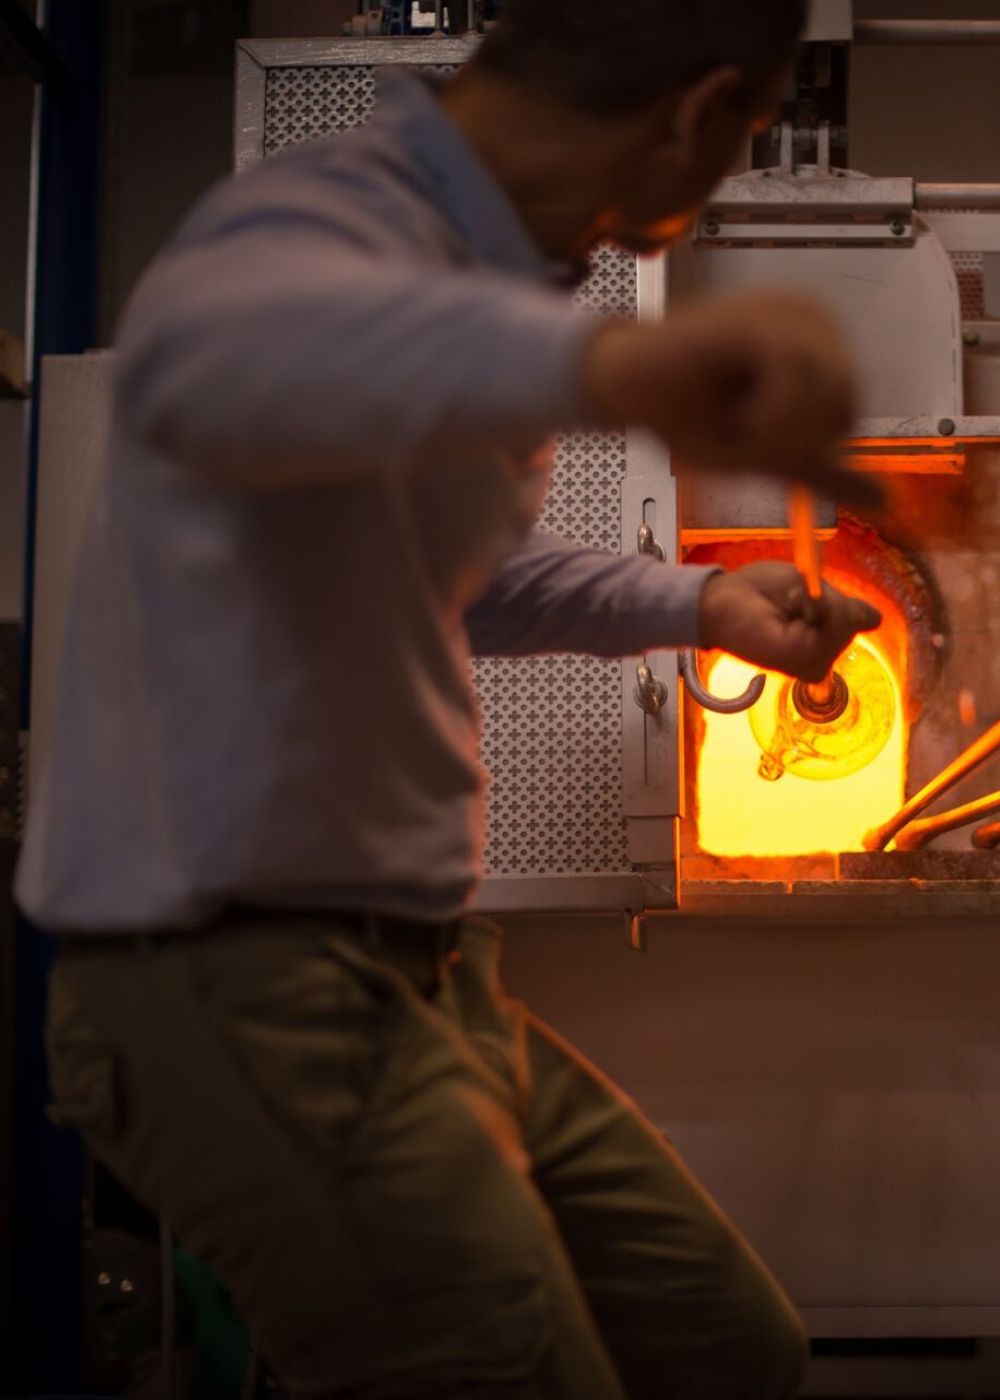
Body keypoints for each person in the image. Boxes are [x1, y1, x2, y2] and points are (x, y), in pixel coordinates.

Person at [19, 0, 884, 1395]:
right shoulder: (314, 220)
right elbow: (206, 372)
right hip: (236, 978)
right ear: (703, 114)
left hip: (420, 979)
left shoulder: (492, 296)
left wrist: (697, 605)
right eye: (751, 143)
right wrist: (612, 366)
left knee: (725, 1348)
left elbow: (463, 578)